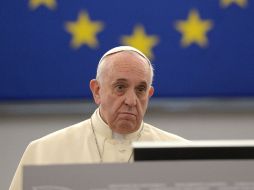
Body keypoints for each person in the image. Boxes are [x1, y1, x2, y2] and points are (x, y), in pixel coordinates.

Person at [9, 46, 186, 190]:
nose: (131, 101)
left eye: (140, 90)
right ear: (97, 91)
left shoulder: (183, 155)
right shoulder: (43, 152)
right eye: (120, 87)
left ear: (149, 94)